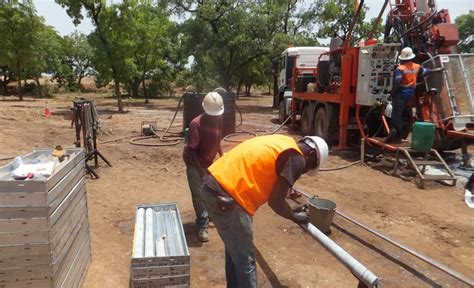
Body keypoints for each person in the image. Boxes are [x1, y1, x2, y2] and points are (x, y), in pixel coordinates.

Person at [201, 134, 329, 287]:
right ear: (312, 155)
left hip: (212, 187)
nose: (303, 172)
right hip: (229, 197)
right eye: (309, 167)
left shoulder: (285, 142)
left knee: (234, 250)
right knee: (246, 262)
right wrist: (294, 216)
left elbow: (275, 188)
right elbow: (276, 202)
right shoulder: (297, 159)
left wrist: (290, 210)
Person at [182, 91, 224, 242]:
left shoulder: (219, 118)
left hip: (208, 161)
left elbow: (218, 138)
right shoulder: (196, 124)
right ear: (205, 110)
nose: (214, 117)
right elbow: (192, 151)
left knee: (210, 191)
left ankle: (208, 215)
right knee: (199, 195)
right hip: (194, 163)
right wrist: (200, 172)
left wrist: (222, 156)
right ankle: (203, 225)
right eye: (212, 115)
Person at [386, 47, 444, 143]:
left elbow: (397, 82)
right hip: (410, 93)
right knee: (405, 113)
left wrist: (391, 94)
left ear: (402, 58)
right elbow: (426, 72)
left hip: (400, 94)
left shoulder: (400, 69)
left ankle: (397, 134)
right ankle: (402, 131)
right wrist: (438, 69)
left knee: (396, 114)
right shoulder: (417, 66)